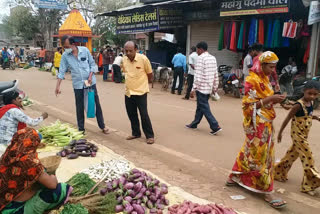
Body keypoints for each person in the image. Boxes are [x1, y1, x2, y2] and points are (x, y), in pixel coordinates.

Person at [227, 51, 287, 209]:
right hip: (257, 122)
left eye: (274, 67)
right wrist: (271, 99)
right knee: (262, 156)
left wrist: (279, 101)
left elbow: (266, 100)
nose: (273, 70)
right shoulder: (252, 80)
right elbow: (248, 105)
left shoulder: (265, 79)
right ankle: (267, 191)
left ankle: (234, 176)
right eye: (270, 67)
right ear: (262, 64)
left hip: (266, 120)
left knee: (250, 149)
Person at [0, 127, 72, 213]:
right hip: (16, 210)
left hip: (3, 205)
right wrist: (52, 176)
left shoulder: (7, 156)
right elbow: (52, 185)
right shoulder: (30, 162)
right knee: (60, 189)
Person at [55, 35, 109, 134]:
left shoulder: (84, 50)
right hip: (77, 84)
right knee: (79, 106)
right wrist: (57, 86)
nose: (65, 49)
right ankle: (81, 129)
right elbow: (61, 71)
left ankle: (102, 126)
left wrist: (90, 76)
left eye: (67, 47)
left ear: (73, 44)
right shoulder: (65, 56)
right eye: (64, 47)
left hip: (89, 82)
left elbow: (92, 64)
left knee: (94, 103)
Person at [275, 80, 320, 196]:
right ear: (304, 91)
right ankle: (308, 185)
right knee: (308, 158)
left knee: (291, 155)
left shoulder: (310, 104)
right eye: (310, 93)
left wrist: (315, 117)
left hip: (304, 135)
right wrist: (280, 133)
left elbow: (306, 115)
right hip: (298, 136)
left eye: (315, 94)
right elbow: (287, 119)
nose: (312, 96)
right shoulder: (298, 105)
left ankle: (277, 173)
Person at [122, 41, 155, 144]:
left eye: (130, 51)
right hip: (128, 92)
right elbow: (125, 73)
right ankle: (136, 133)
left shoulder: (143, 59)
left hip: (141, 92)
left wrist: (145, 83)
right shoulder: (124, 60)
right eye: (126, 51)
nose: (128, 53)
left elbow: (150, 74)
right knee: (131, 114)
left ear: (136, 50)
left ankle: (150, 136)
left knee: (144, 114)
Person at [186, 42, 221, 135]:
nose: (197, 52)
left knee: (204, 107)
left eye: (197, 50)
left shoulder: (200, 58)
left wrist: (193, 89)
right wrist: (215, 86)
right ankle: (194, 124)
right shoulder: (213, 58)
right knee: (200, 106)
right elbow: (215, 74)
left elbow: (198, 75)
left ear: (200, 49)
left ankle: (215, 125)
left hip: (202, 88)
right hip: (209, 88)